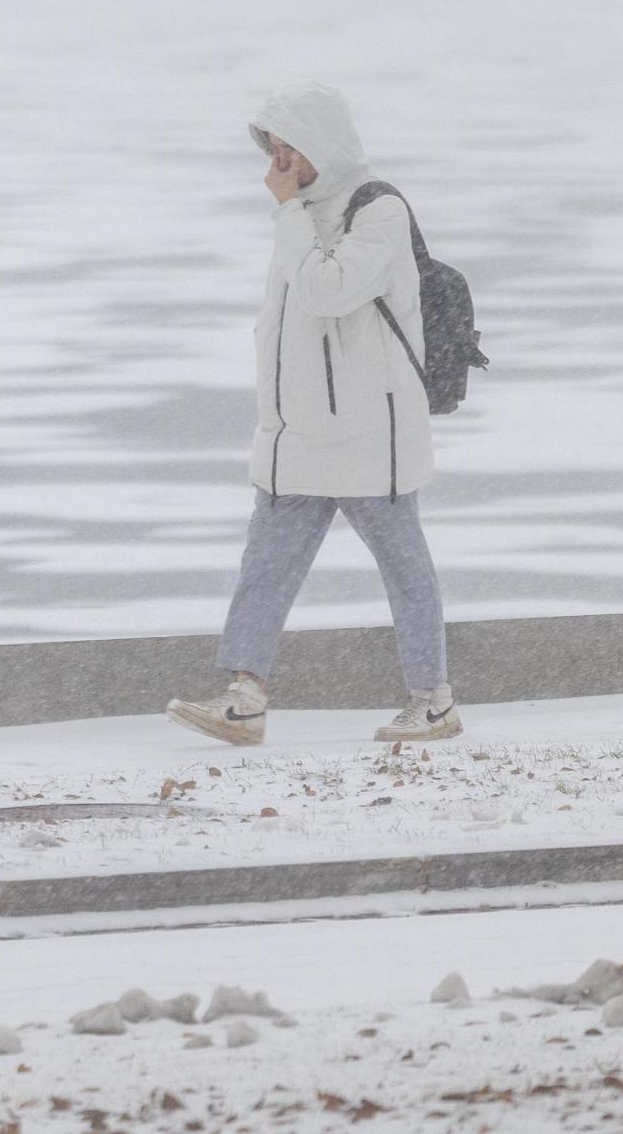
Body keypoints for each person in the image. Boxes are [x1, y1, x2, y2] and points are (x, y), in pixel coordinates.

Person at [167, 80, 458, 747]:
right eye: (273, 147)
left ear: (322, 144)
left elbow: (330, 291)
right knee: (264, 566)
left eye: (291, 146)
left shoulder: (377, 210)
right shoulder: (295, 216)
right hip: (297, 434)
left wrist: (289, 211)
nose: (280, 161)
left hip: (367, 435)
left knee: (405, 566)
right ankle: (245, 698)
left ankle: (433, 700)